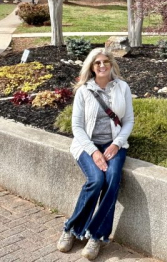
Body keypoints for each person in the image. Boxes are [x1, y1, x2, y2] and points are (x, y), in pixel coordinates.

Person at [56, 48, 134, 260]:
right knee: (96, 180)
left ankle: (96, 235)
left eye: (105, 62)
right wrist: (93, 152)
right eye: (97, 62)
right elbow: (77, 127)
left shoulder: (122, 87)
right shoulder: (84, 91)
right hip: (86, 145)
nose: (101, 65)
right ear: (91, 66)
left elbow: (128, 121)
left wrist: (117, 144)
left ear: (111, 64)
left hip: (113, 145)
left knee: (112, 180)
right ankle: (71, 229)